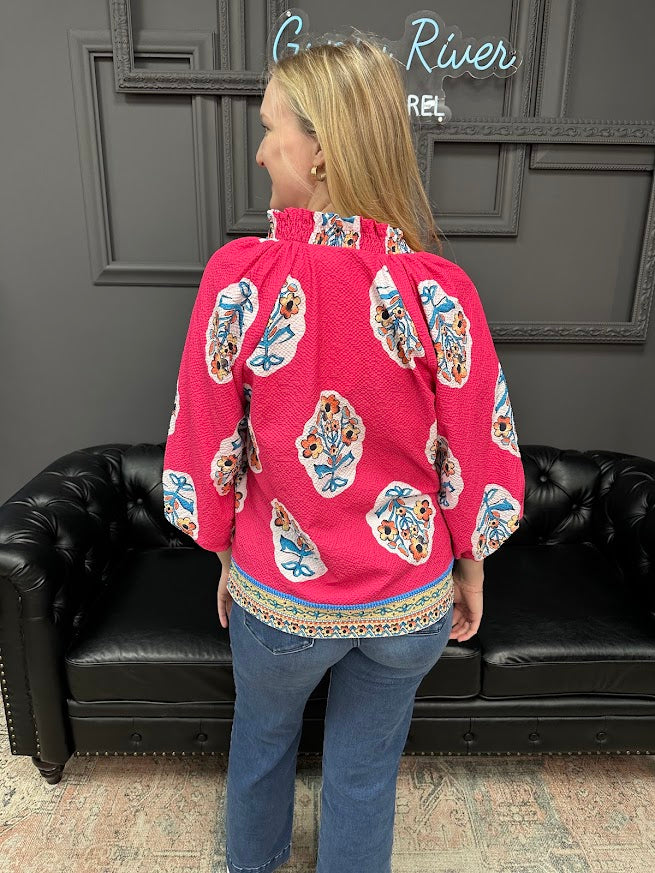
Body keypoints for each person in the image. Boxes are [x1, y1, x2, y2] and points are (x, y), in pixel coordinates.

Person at [162, 34, 525, 873]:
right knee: (364, 773)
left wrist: (223, 551)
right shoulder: (439, 290)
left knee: (262, 742)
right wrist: (469, 569)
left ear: (319, 149)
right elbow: (475, 454)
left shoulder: (241, 278)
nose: (260, 152)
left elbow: (207, 445)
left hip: (282, 602)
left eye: (270, 130)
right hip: (408, 606)